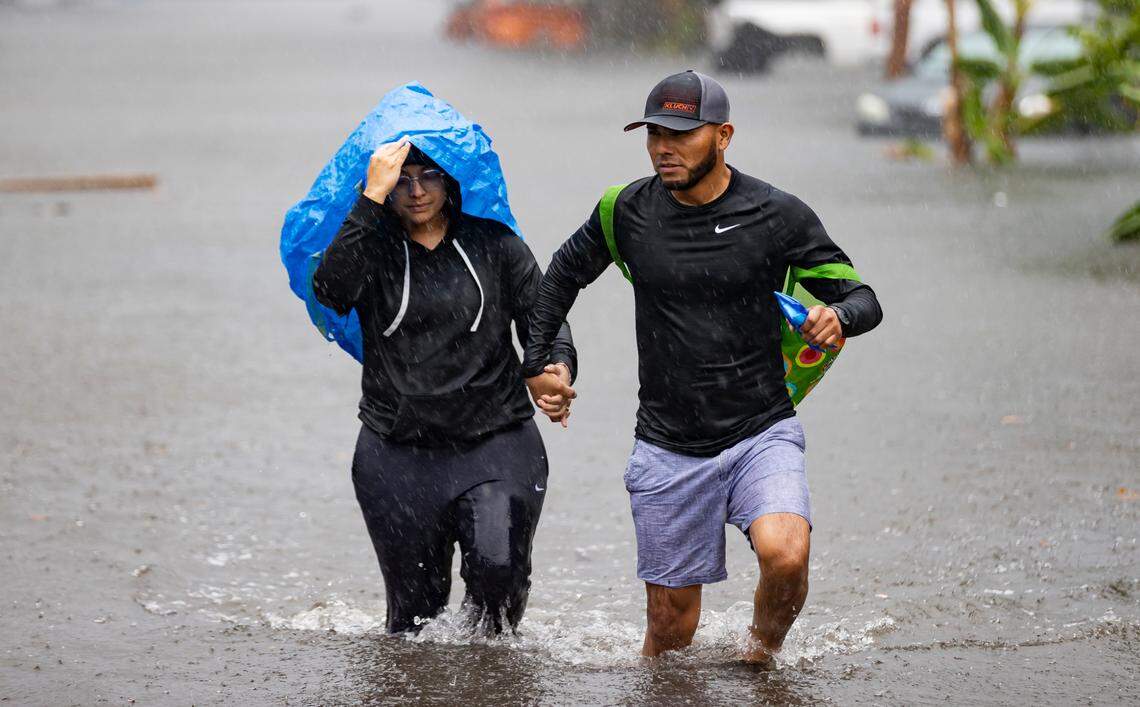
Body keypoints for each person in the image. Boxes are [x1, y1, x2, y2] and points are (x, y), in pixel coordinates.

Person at [522, 71, 883, 663]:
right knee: (669, 635)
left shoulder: (777, 214)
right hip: (667, 444)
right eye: (654, 133)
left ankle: (760, 656)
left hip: (760, 429)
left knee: (786, 555)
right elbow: (559, 278)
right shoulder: (624, 212)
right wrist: (541, 364)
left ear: (723, 136)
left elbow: (864, 298)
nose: (665, 147)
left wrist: (838, 316)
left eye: (682, 134)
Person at [313, 137, 576, 635]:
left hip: (496, 443)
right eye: (402, 179)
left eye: (428, 176)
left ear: (451, 180)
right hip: (396, 453)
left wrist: (556, 368)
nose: (416, 191)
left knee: (497, 582)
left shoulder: (496, 245)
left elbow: (546, 321)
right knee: (414, 623)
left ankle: (493, 685)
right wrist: (370, 200)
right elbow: (331, 290)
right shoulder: (371, 249)